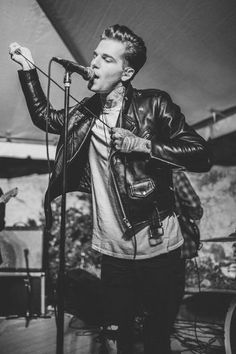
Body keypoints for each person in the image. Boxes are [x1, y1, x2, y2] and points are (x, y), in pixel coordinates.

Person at [9, 24, 211, 354]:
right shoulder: (86, 111)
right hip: (114, 253)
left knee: (157, 339)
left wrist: (144, 145)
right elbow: (47, 118)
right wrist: (29, 69)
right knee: (120, 339)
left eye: (106, 58)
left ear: (126, 72)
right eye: (94, 56)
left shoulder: (154, 104)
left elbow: (201, 154)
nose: (95, 63)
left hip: (159, 250)